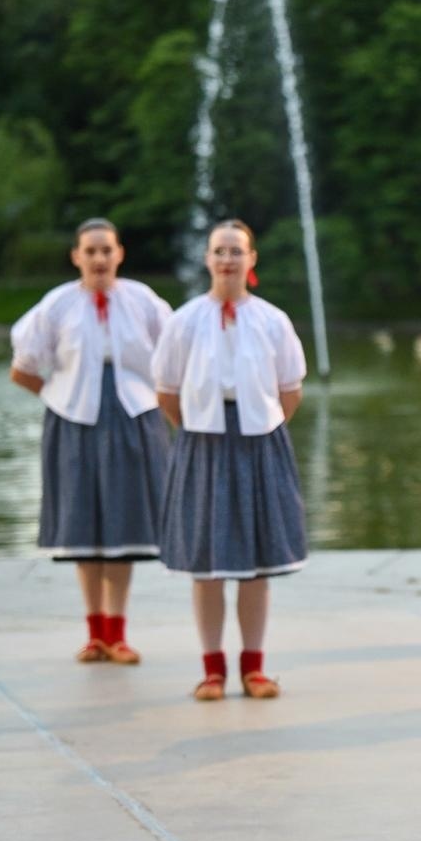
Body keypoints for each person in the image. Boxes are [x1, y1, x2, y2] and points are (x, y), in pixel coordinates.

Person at [152, 220, 308, 701]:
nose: (227, 259)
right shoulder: (184, 320)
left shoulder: (272, 320)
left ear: (251, 259)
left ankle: (254, 668)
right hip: (203, 441)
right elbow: (167, 392)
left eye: (236, 251)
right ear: (207, 259)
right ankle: (212, 669)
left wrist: (259, 426)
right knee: (207, 563)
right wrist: (200, 428)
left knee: (257, 566)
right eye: (219, 251)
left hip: (259, 440)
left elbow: (290, 390)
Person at [9, 218, 172, 664]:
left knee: (122, 526)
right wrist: (57, 395)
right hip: (74, 422)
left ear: (119, 254)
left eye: (107, 250)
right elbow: (22, 367)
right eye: (90, 251)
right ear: (76, 256)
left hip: (133, 418)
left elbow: (173, 356)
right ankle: (94, 632)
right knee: (84, 526)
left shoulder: (143, 301)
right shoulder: (57, 306)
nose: (99, 259)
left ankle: (117, 634)